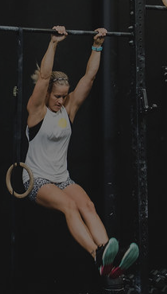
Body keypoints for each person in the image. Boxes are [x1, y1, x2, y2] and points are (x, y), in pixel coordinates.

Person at [23, 25, 138, 278]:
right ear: (48, 95)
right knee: (69, 206)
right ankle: (97, 256)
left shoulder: (68, 110)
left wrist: (97, 45)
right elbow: (43, 78)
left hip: (62, 178)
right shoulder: (37, 112)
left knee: (87, 204)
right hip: (37, 180)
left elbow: (89, 78)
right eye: (57, 96)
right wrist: (53, 43)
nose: (61, 101)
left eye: (64, 96)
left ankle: (110, 258)